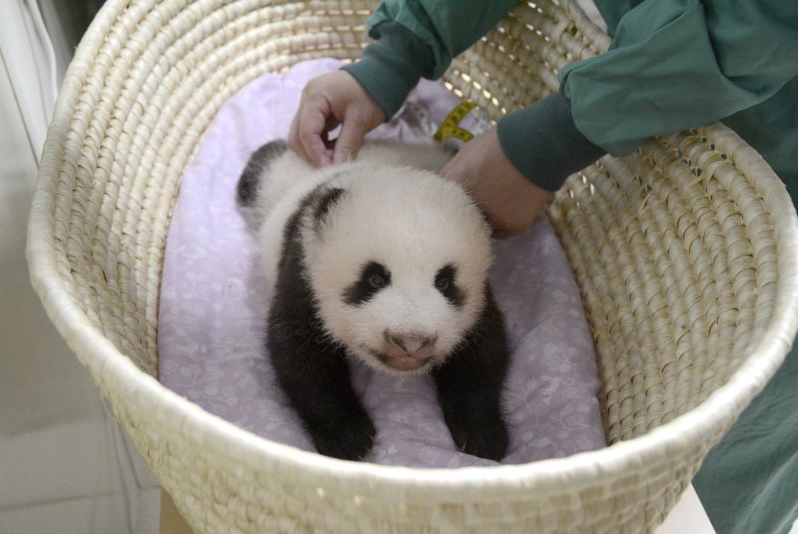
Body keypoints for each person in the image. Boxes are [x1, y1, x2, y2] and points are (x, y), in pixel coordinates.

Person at [288, 1, 798, 532]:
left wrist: (554, 137)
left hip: (774, 152)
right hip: (630, 78)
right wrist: (395, 56)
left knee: (711, 469)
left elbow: (768, 19)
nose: (412, 335)